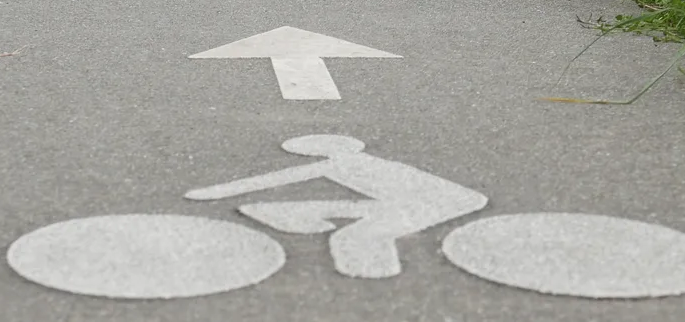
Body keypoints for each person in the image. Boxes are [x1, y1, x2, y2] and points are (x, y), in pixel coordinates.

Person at [185, 135, 487, 278]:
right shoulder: (352, 162)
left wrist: (213, 193)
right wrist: (213, 193)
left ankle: (378, 291)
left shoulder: (344, 164)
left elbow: (277, 179)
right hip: (424, 200)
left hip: (441, 202)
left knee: (355, 237)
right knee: (324, 217)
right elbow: (279, 179)